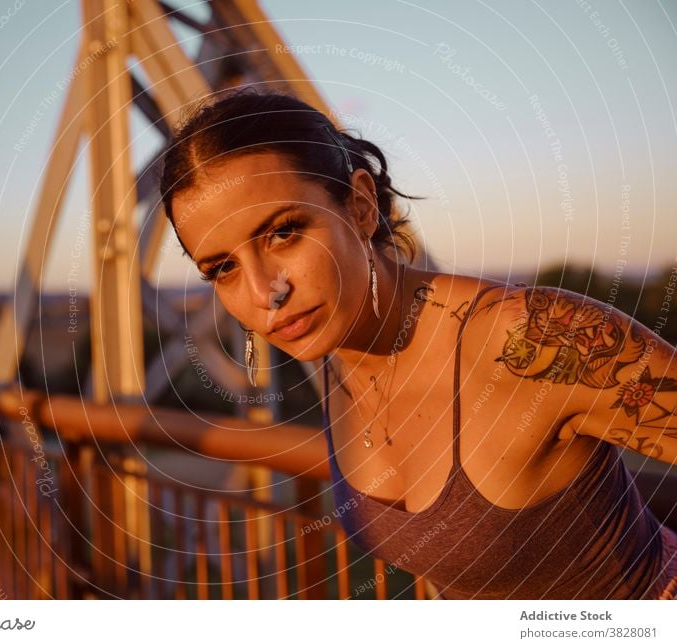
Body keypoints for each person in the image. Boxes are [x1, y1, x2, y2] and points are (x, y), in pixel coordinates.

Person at [158, 88, 677, 599]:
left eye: (284, 232)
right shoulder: (336, 353)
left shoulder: (526, 339)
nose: (263, 293)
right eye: (222, 268)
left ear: (361, 206)